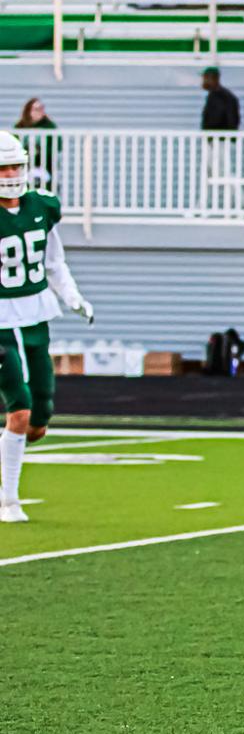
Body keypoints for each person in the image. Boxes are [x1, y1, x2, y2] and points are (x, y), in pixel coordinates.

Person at [0, 131, 91, 523]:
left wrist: (72, 297)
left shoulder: (41, 206)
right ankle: (9, 501)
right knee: (19, 412)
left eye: (15, 165)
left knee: (38, 422)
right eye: (3, 167)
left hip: (36, 313)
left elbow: (54, 262)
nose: (10, 173)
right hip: (2, 322)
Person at [200, 66, 240, 131]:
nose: (203, 81)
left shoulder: (223, 97)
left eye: (205, 78)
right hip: (215, 138)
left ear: (213, 78)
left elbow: (230, 121)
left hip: (221, 139)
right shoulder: (213, 95)